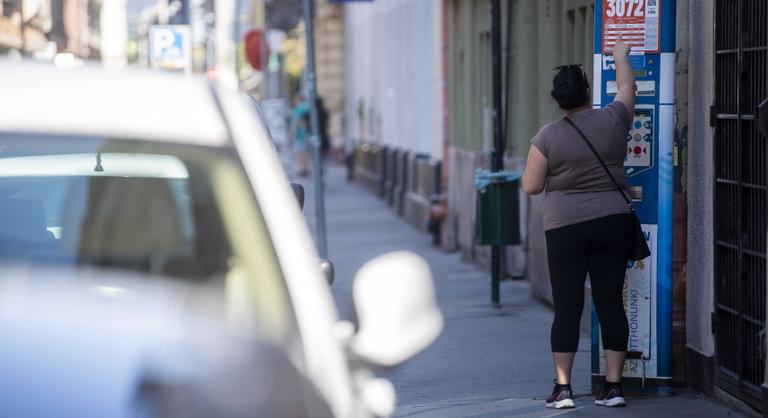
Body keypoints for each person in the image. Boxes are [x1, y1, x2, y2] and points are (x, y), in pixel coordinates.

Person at [522, 36, 635, 409]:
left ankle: (564, 389)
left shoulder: (547, 137)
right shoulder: (613, 118)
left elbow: (531, 186)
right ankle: (615, 387)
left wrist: (562, 177)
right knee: (610, 302)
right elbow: (627, 87)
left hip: (565, 228)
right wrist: (619, 56)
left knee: (568, 306)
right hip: (613, 223)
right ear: (588, 92)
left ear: (558, 100)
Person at [288, 95, 311, 177]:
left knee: (301, 152)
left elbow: (295, 123)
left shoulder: (297, 110)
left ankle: (302, 169)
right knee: (305, 152)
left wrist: (291, 133)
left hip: (300, 135)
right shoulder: (307, 108)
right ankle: (305, 168)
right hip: (307, 133)